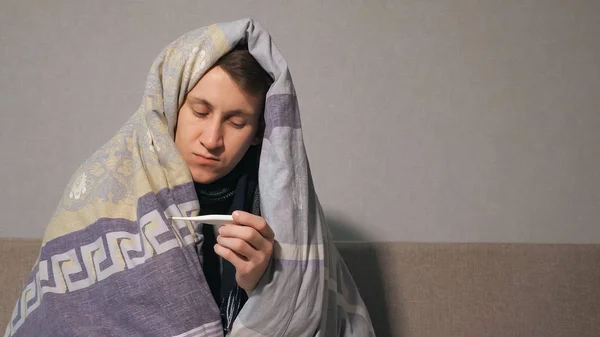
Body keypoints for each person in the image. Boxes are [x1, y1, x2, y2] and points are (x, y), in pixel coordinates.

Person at [5, 19, 375, 337]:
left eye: (236, 122)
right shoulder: (103, 187)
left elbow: (309, 312)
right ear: (170, 105)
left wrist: (262, 282)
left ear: (260, 131)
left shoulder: (281, 207)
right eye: (200, 111)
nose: (212, 140)